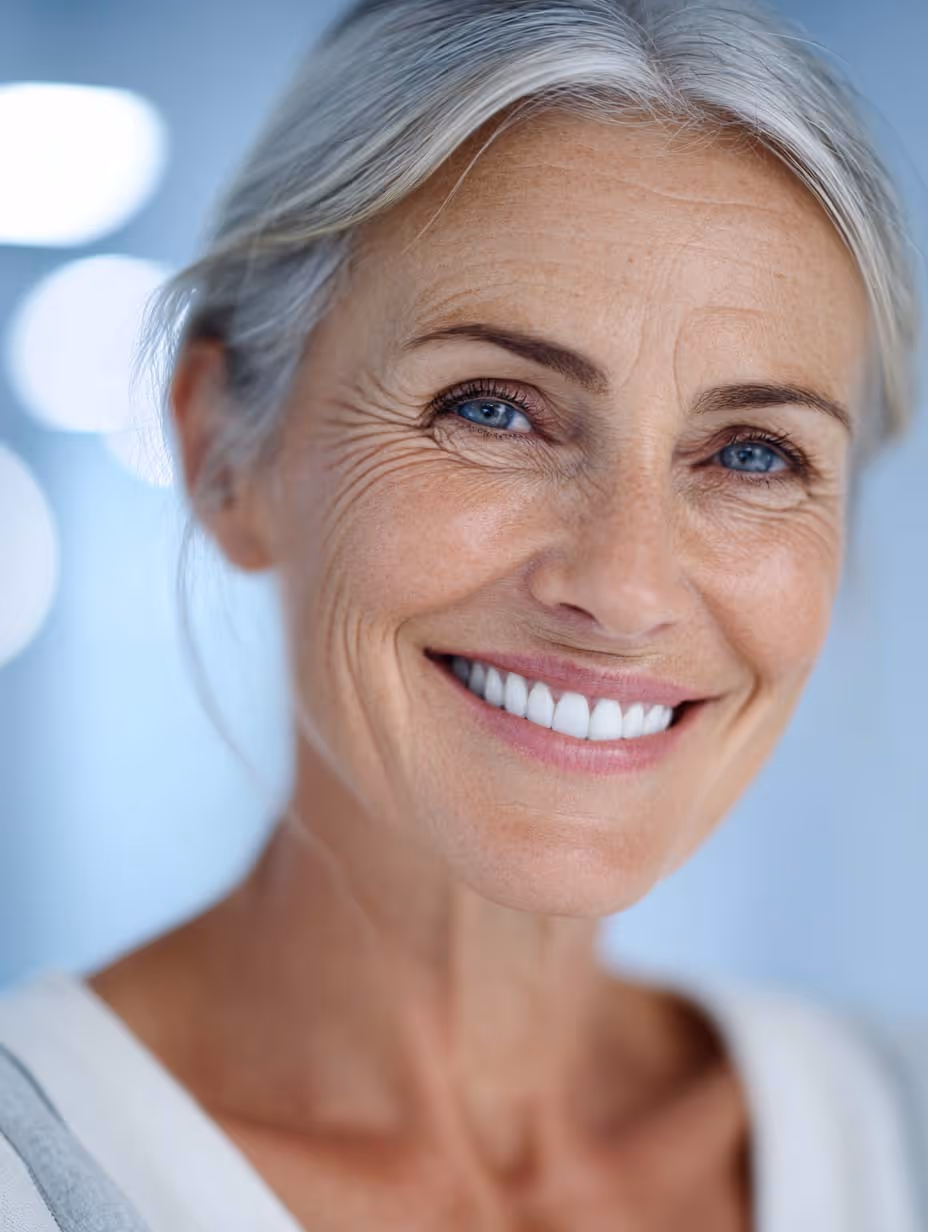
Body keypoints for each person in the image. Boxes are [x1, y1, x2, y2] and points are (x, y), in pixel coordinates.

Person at [1, 0, 925, 1228]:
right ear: (226, 451)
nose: (625, 586)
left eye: (751, 453)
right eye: (492, 408)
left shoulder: (898, 1131)